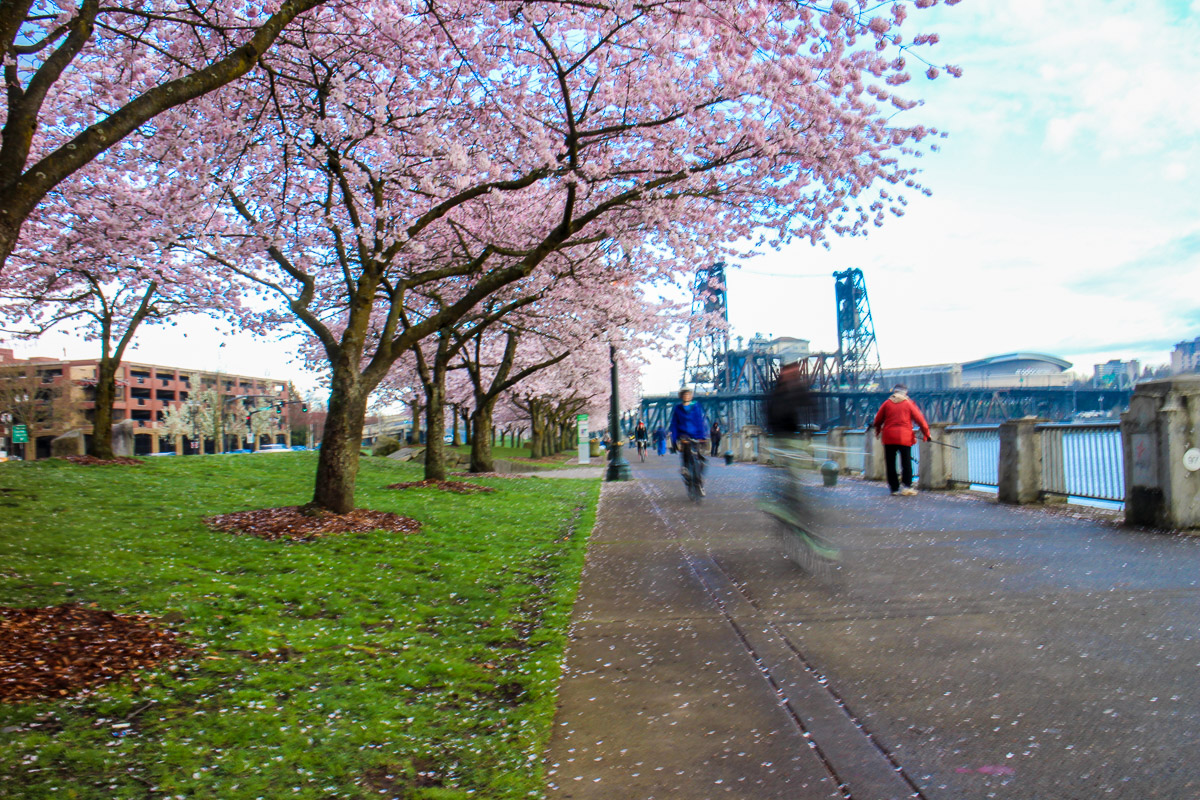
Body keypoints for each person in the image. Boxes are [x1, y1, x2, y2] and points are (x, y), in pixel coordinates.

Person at [872, 383, 932, 497]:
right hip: (904, 437)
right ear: (905, 393)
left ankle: (894, 489)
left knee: (890, 464)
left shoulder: (886, 404)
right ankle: (907, 487)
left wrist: (878, 430)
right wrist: (927, 434)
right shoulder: (908, 404)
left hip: (889, 437)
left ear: (894, 392)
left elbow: (877, 420)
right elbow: (920, 420)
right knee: (906, 463)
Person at [670, 387, 709, 494]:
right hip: (684, 435)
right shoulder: (678, 409)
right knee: (686, 454)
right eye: (685, 394)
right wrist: (674, 440)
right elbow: (674, 424)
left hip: (696, 435)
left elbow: (699, 421)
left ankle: (699, 480)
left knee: (701, 460)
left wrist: (702, 437)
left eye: (688, 394)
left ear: (691, 396)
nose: (687, 396)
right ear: (681, 396)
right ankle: (685, 469)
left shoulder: (696, 406)